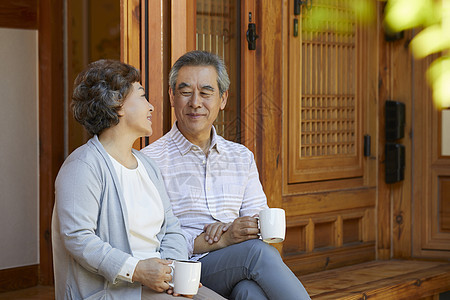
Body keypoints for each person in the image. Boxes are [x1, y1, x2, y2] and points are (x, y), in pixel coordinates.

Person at [141, 50, 311, 300]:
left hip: (239, 268)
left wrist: (238, 228)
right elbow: (152, 238)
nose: (195, 102)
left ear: (222, 99)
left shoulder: (241, 157)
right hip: (186, 270)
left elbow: (260, 221)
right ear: (172, 96)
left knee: (249, 292)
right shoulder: (150, 160)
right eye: (186, 92)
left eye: (206, 93)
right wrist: (217, 239)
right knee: (257, 253)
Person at [51, 59, 224, 300]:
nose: (151, 107)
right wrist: (137, 271)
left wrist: (172, 270)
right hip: (115, 292)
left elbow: (171, 228)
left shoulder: (147, 165)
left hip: (158, 285)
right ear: (116, 104)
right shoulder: (83, 166)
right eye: (142, 97)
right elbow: (79, 238)